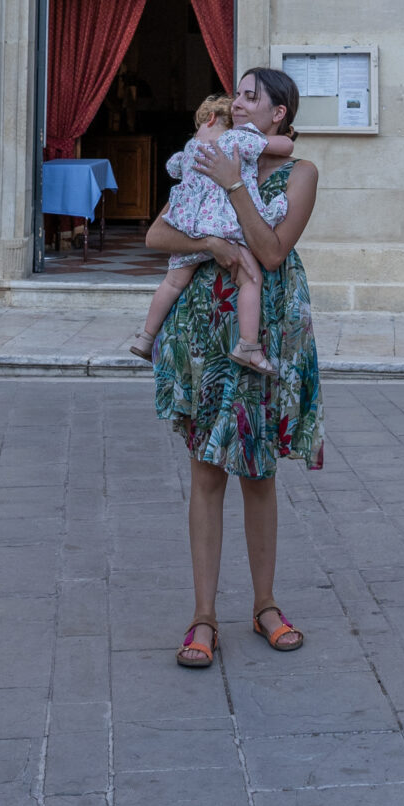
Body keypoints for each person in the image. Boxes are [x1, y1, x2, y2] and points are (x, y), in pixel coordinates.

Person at [144, 65, 324, 670]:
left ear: (279, 116)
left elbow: (272, 254)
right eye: (237, 95)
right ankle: (202, 617)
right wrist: (215, 245)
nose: (237, 103)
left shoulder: (300, 174)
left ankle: (265, 605)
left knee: (259, 473)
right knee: (206, 473)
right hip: (202, 337)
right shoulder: (206, 155)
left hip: (264, 338)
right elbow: (155, 236)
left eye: (251, 97)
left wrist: (235, 187)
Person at [128, 94, 291, 372]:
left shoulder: (189, 149)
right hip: (223, 226)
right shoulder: (233, 140)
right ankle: (248, 347)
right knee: (251, 279)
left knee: (172, 283)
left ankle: (145, 337)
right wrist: (286, 137)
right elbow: (283, 146)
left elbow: (173, 168)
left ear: (210, 119)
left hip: (189, 227)